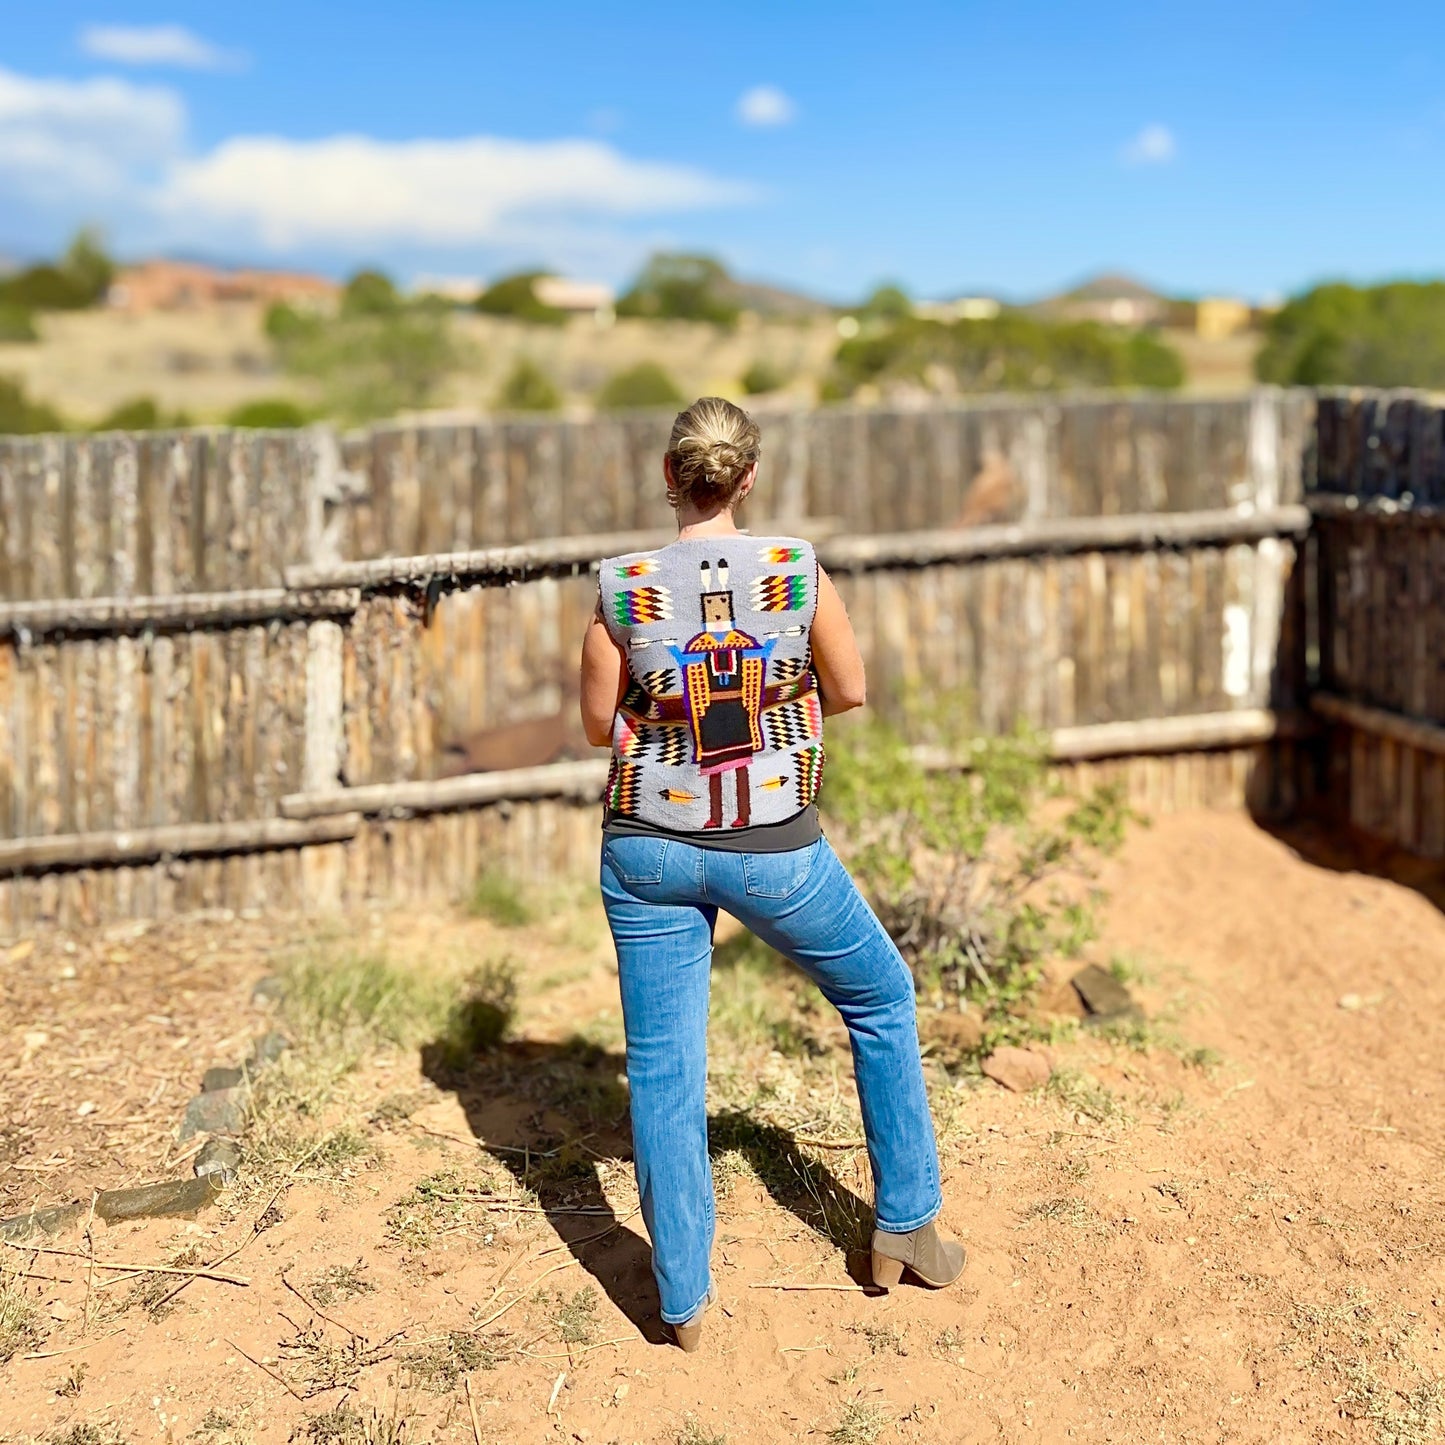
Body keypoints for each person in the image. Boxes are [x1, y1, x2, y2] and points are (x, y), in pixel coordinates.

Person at [579, 397, 964, 1351]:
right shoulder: (796, 571)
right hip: (772, 847)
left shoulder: (622, 586)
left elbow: (596, 724)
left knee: (665, 1068)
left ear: (670, 475)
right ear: (746, 477)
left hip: (645, 847)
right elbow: (853, 689)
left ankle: (683, 1305)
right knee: (879, 997)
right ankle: (905, 1227)